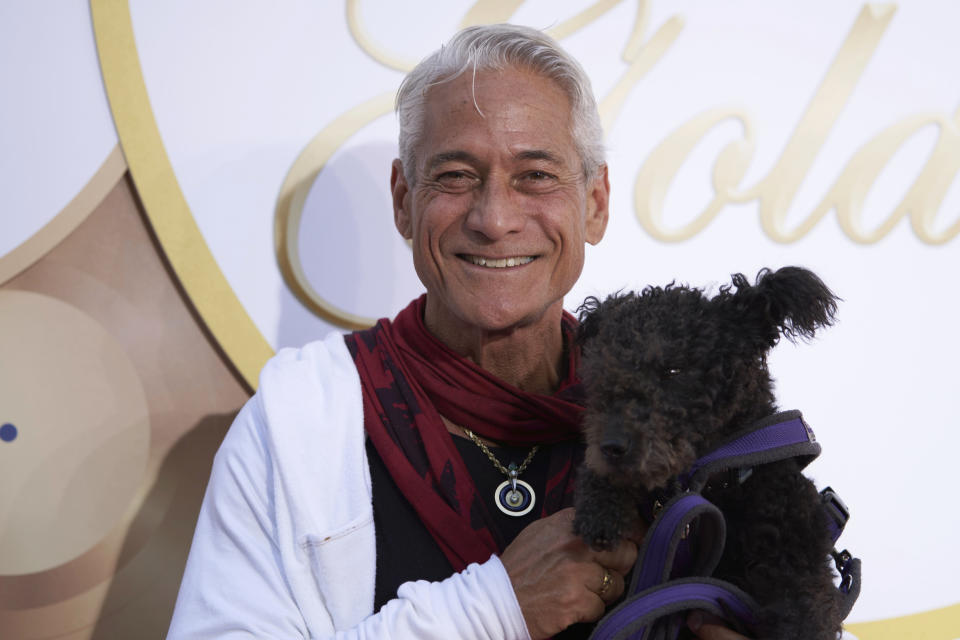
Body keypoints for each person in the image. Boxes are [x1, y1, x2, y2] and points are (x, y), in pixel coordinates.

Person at [166, 24, 752, 640]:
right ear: (402, 200)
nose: (494, 219)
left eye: (535, 175)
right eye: (455, 175)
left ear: (596, 203)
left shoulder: (684, 409)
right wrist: (491, 610)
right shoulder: (296, 423)